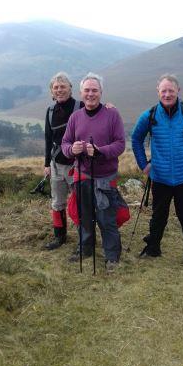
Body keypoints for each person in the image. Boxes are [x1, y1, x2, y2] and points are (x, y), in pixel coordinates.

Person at [131, 73, 183, 268]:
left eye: (171, 91)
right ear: (158, 91)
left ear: (178, 91)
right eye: (163, 90)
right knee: (159, 216)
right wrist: (144, 165)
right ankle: (153, 248)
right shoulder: (149, 115)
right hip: (160, 178)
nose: (167, 94)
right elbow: (135, 139)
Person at [62, 72, 126, 271]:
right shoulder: (75, 117)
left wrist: (100, 151)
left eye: (94, 90)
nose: (91, 94)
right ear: (81, 93)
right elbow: (65, 143)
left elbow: (120, 144)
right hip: (82, 174)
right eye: (87, 90)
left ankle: (112, 256)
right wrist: (72, 150)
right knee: (84, 216)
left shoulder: (112, 114)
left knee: (107, 218)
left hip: (105, 176)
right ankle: (86, 248)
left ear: (101, 92)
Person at [43, 72, 83, 250]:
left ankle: (85, 239)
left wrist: (109, 108)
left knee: (81, 204)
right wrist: (46, 164)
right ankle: (60, 237)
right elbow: (47, 138)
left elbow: (98, 114)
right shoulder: (50, 111)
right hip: (56, 165)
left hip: (77, 165)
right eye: (56, 87)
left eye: (63, 86)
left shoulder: (81, 106)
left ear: (70, 88)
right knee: (57, 202)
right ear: (52, 91)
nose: (59, 90)